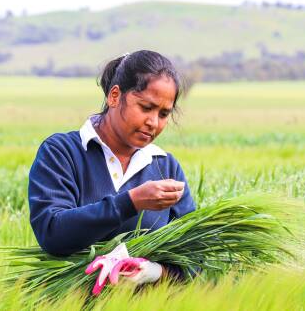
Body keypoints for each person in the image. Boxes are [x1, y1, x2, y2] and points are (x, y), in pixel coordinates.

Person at [27, 50, 196, 293]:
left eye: (163, 114)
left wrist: (153, 271)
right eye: (146, 107)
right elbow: (53, 234)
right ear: (115, 96)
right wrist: (131, 202)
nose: (153, 122)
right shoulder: (62, 152)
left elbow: (195, 263)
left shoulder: (165, 167)